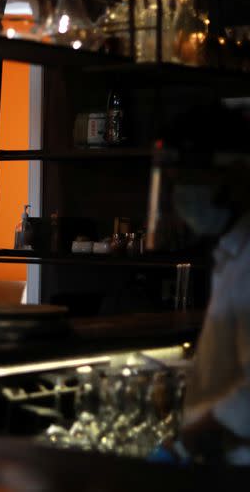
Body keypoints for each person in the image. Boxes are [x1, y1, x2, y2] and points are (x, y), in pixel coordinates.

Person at [147, 103, 250, 465]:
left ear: (234, 174)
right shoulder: (231, 251)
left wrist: (186, 445)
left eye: (188, 182)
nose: (179, 197)